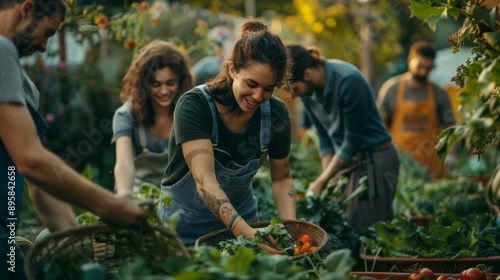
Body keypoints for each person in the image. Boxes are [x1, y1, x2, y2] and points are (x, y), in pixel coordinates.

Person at [0, 1, 148, 279]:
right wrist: (109, 205)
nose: (44, 46)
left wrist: (80, 244)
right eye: (48, 32)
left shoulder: (25, 87)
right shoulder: (1, 51)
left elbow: (39, 182)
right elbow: (30, 161)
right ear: (27, 9)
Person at [158, 18, 297, 249]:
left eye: (268, 89)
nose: (257, 96)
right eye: (251, 84)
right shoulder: (195, 106)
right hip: (184, 230)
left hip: (245, 224)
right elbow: (204, 180)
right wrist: (247, 233)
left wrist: (291, 228)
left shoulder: (275, 114)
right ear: (233, 69)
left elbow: (282, 178)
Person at [286, 44, 400, 232]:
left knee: (367, 231)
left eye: (294, 88)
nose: (293, 95)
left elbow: (351, 143)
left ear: (307, 74)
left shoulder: (348, 81)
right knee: (341, 225)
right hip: (345, 160)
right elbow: (324, 137)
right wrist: (327, 179)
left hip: (374, 160)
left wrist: (321, 182)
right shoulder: (308, 92)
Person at [112, 40, 193, 194]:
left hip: (179, 201)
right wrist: (125, 197)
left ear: (181, 82)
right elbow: (124, 164)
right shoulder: (126, 116)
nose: (164, 91)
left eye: (170, 83)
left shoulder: (188, 113)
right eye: (156, 84)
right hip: (139, 199)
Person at [377, 41, 455, 179]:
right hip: (398, 166)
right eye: (420, 66)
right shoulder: (391, 90)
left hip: (431, 168)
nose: (424, 72)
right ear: (409, 61)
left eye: (428, 68)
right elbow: (379, 124)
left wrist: (451, 155)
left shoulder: (439, 94)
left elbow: (450, 126)